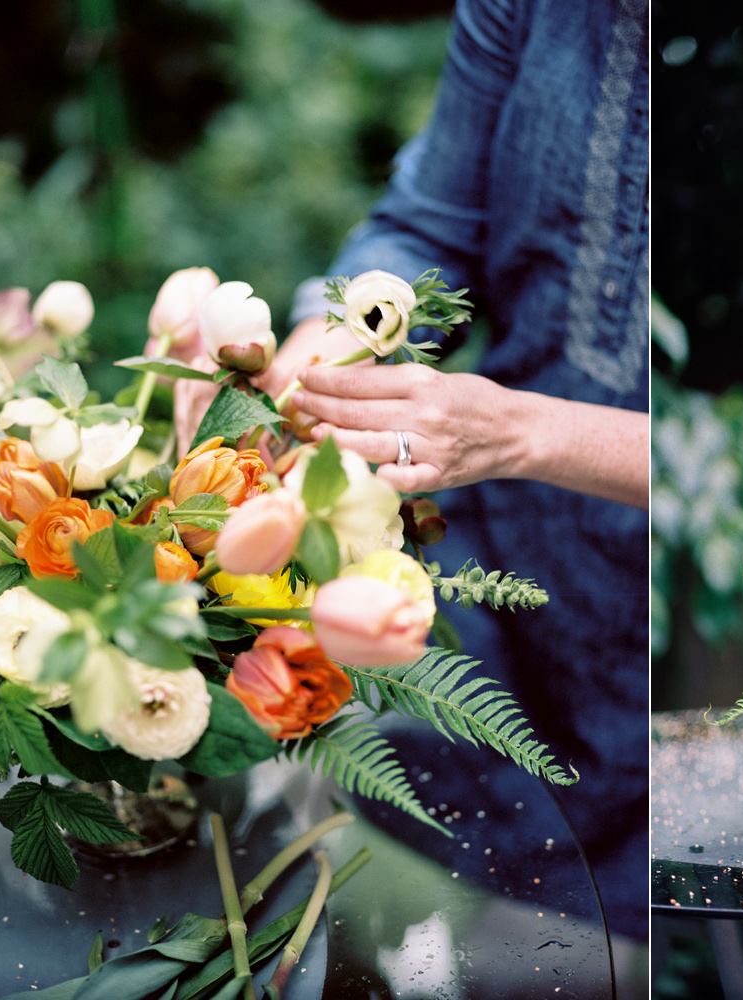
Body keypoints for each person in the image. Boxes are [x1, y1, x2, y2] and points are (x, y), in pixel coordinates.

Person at [261, 0, 649, 944]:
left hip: (661, 633)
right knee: (468, 921)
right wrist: (326, 351)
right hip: (485, 599)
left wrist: (525, 431)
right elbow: (427, 228)